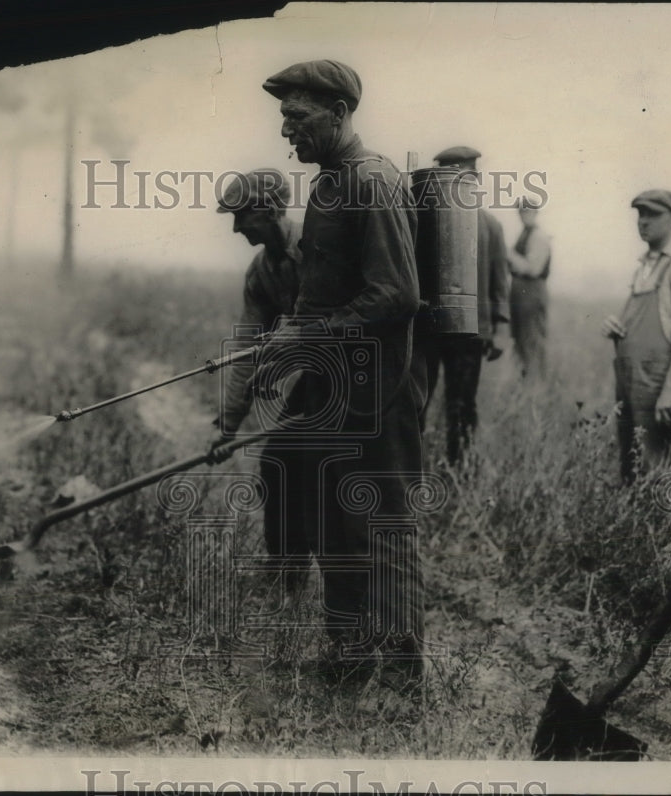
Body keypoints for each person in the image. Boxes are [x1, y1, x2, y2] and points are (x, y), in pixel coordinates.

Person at [257, 59, 427, 696]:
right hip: (336, 386)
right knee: (333, 522)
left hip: (383, 387)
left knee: (385, 527)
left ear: (339, 113)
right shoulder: (330, 183)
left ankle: (407, 681)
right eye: (283, 120)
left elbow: (397, 296)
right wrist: (290, 342)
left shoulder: (371, 182)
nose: (286, 132)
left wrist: (308, 337)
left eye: (297, 119)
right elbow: (321, 292)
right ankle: (349, 659)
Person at [209, 168, 311, 601]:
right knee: (278, 465)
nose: (235, 228)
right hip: (323, 375)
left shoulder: (316, 247)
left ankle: (345, 590)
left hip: (369, 372)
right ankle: (286, 574)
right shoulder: (262, 270)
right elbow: (247, 351)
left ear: (268, 210)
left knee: (326, 472)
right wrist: (228, 426)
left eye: (241, 216)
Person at [602, 189, 671, 483]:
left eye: (652, 214)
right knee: (631, 462)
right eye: (640, 214)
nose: (643, 221)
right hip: (631, 379)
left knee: (663, 467)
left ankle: (670, 528)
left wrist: (670, 391)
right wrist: (617, 331)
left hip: (659, 381)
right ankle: (636, 528)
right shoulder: (644, 266)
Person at [425, 145, 511, 464]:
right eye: (453, 175)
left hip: (471, 334)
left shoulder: (490, 224)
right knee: (419, 399)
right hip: (430, 329)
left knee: (461, 404)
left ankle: (460, 472)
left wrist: (499, 328)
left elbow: (500, 280)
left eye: (468, 176)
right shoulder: (426, 217)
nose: (464, 182)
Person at [506, 197, 551, 379]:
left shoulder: (538, 236)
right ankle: (526, 384)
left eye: (527, 211)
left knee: (532, 339)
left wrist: (507, 253)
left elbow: (533, 269)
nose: (523, 215)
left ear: (536, 212)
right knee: (520, 339)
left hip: (532, 291)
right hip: (519, 292)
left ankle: (536, 386)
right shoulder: (524, 234)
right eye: (521, 211)